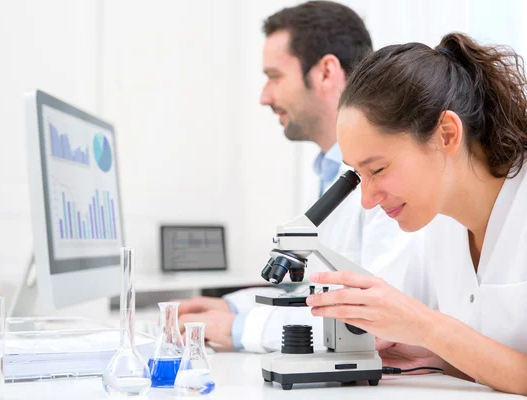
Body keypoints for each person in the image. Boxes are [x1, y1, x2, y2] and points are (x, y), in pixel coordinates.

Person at [304, 32, 527, 398]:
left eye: (378, 169)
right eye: (359, 175)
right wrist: (433, 356)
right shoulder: (441, 224)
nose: (368, 200)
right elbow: (498, 357)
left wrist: (425, 327)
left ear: (447, 134)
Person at [176, 1, 415, 353]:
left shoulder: (391, 180)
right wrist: (233, 306)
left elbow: (377, 316)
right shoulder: (327, 171)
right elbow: (317, 289)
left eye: (274, 77)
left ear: (325, 72)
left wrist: (240, 328)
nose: (264, 97)